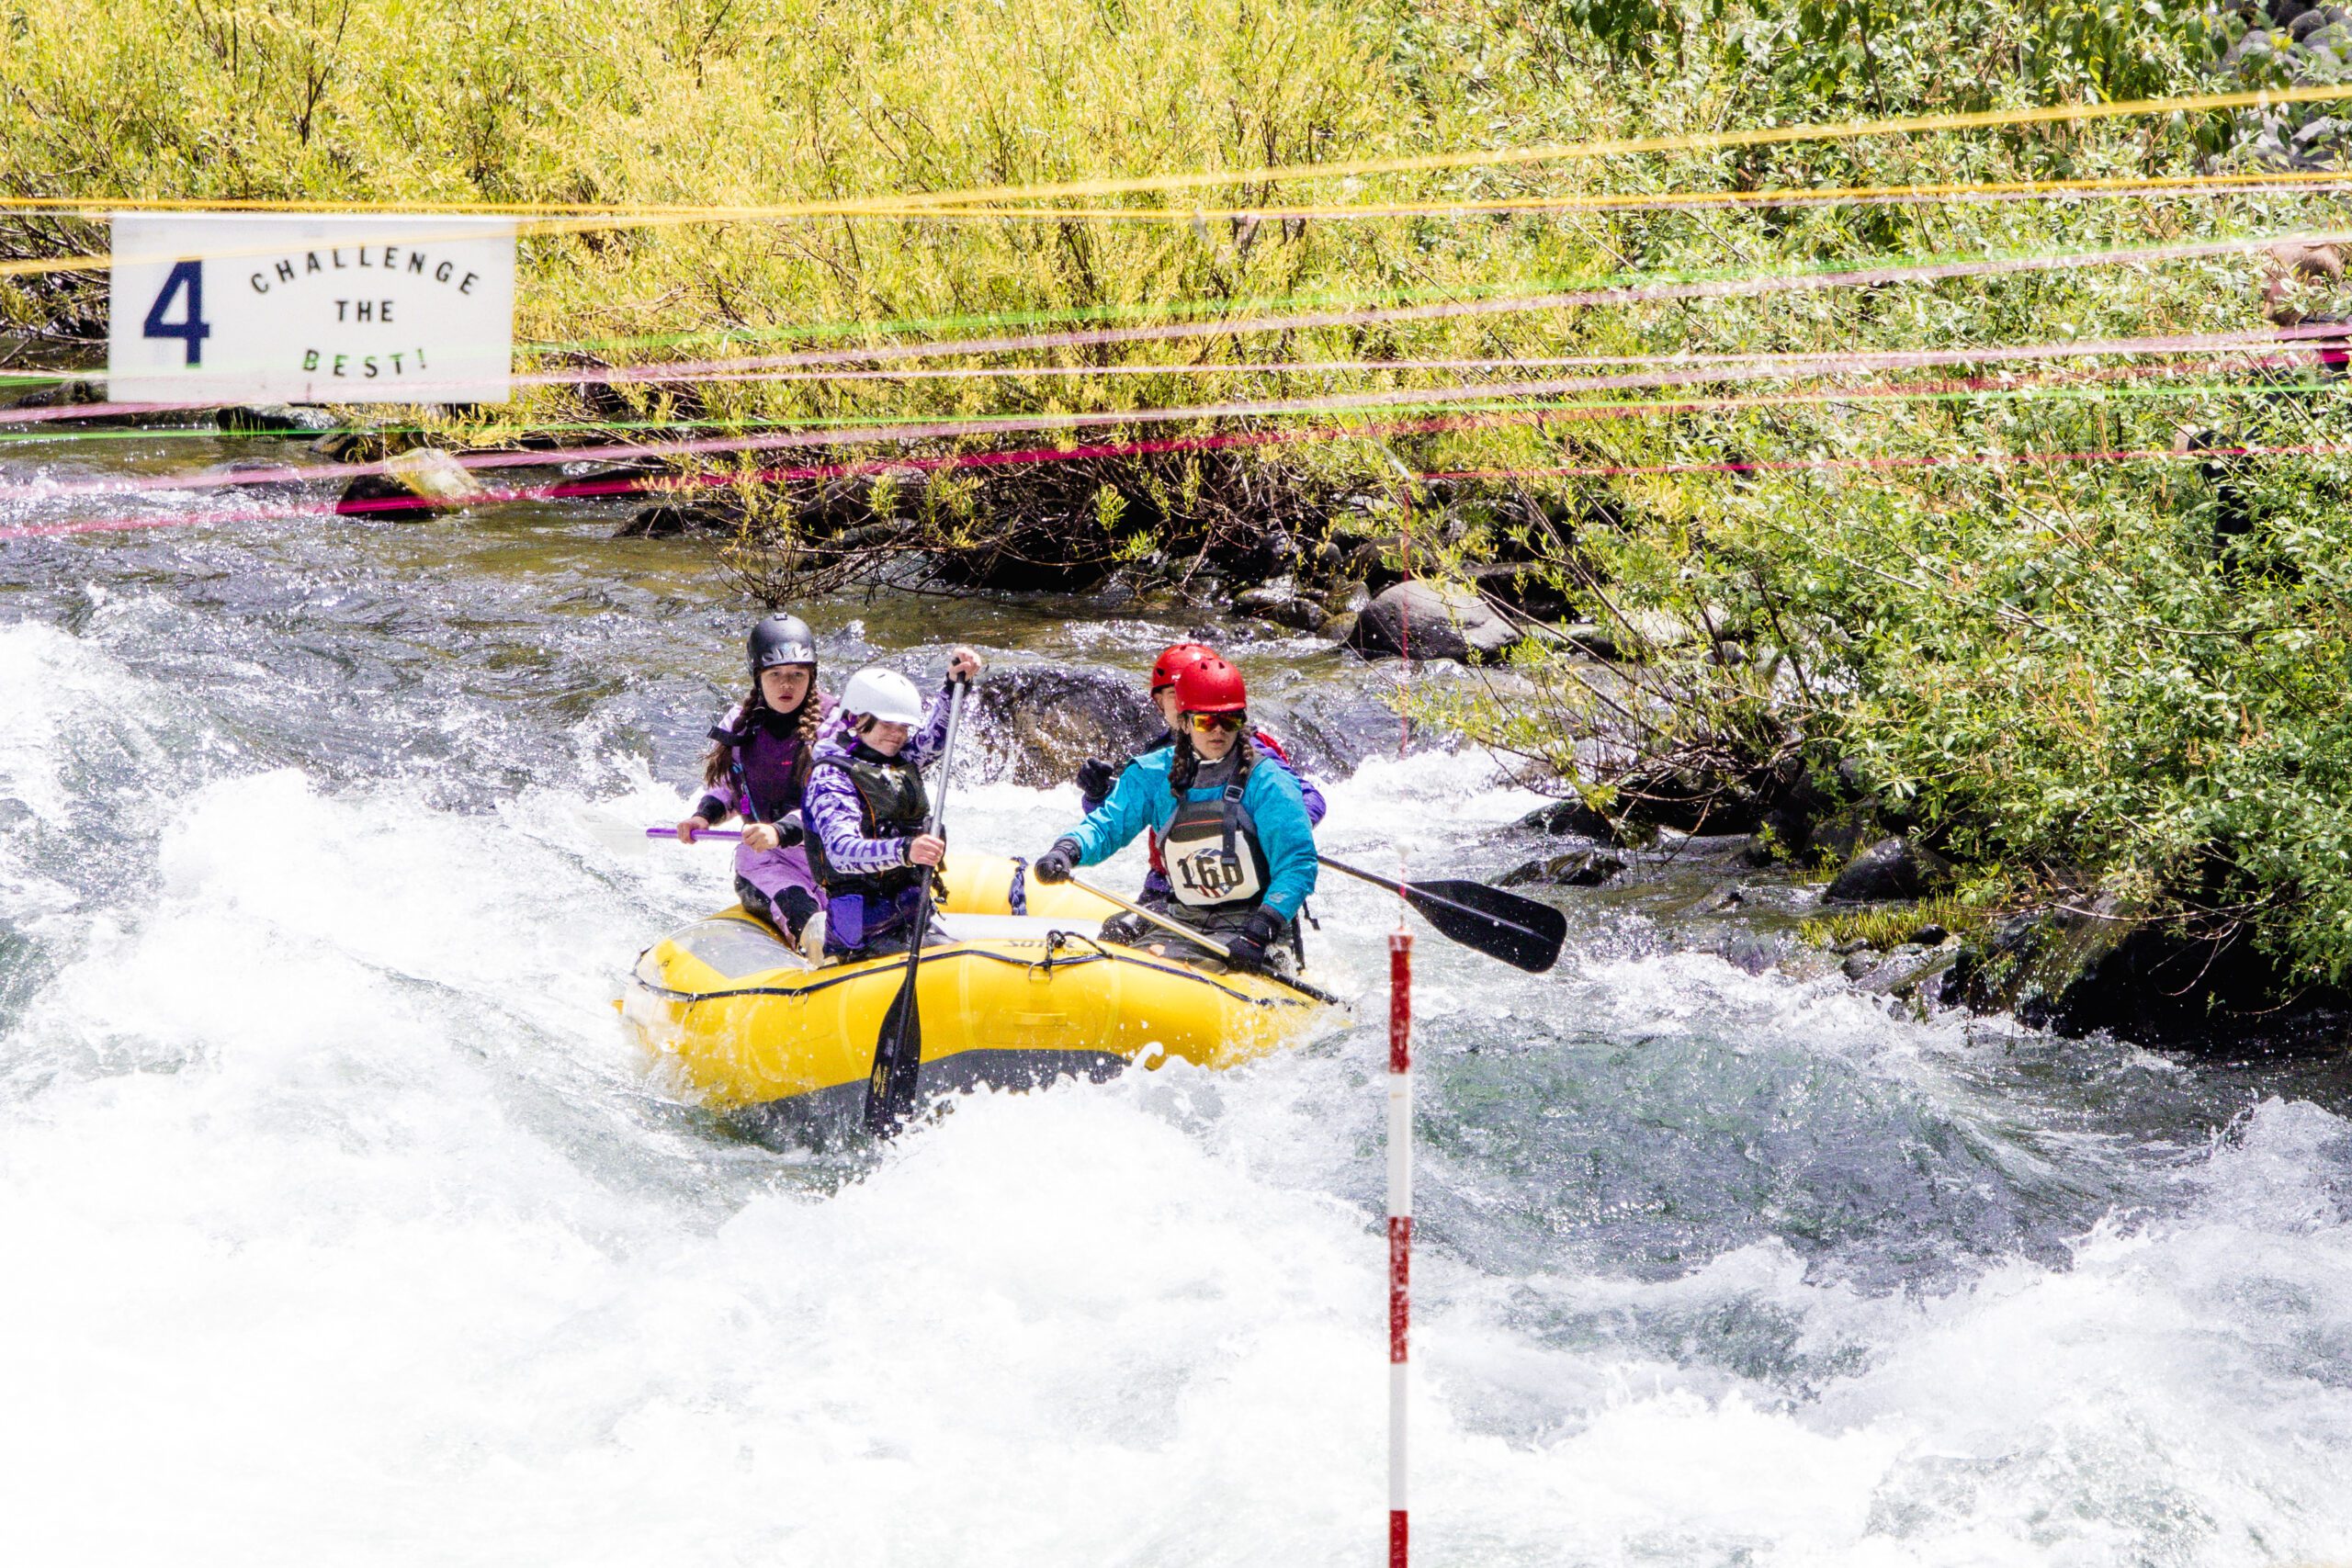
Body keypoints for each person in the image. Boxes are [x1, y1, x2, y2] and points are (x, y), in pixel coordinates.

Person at [1032, 656, 1317, 973]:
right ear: (1183, 722)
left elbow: (1297, 863)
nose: (1218, 731)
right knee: (1115, 940)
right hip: (1184, 916)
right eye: (1206, 722)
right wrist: (1067, 849)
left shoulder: (1269, 781)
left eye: (1230, 720)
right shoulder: (1152, 774)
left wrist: (1263, 927)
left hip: (1256, 923)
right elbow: (1107, 826)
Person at [1072, 641, 1326, 926]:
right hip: (1169, 885)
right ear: (1160, 703)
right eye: (1173, 694)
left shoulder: (1247, 750)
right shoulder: (1156, 760)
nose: (1181, 698)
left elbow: (1308, 798)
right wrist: (1098, 796)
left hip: (1245, 894)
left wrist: (1275, 827)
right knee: (1118, 931)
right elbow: (1117, 819)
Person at [803, 650, 983, 963]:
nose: (898, 735)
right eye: (888, 724)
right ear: (856, 719)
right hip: (862, 935)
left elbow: (937, 738)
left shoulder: (899, 760)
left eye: (903, 727)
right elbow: (841, 852)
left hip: (910, 918)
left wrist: (954, 685)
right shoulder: (831, 776)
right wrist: (904, 850)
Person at [676, 614, 833, 949]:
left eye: (796, 675)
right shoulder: (741, 723)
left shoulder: (834, 725)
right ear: (757, 677)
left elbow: (833, 802)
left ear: (812, 676)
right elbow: (732, 788)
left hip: (829, 856)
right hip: (767, 861)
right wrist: (703, 816)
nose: (786, 685)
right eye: (775, 675)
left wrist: (782, 830)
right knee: (807, 917)